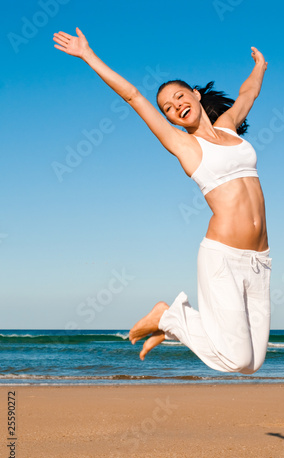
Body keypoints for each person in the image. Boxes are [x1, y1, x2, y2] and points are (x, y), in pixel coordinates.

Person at [54, 28, 271, 374]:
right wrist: (87, 55)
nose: (176, 107)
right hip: (223, 257)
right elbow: (133, 95)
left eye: (180, 97)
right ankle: (167, 317)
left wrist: (260, 67)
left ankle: (170, 321)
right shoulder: (183, 146)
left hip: (260, 260)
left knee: (253, 362)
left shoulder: (229, 126)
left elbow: (248, 94)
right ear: (168, 119)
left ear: (196, 95)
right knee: (236, 359)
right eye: (168, 108)